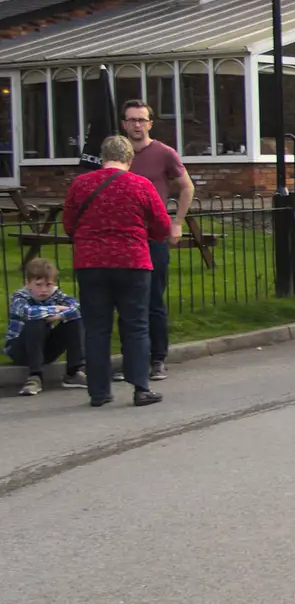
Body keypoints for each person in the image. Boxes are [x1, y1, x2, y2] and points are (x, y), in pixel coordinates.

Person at [62, 135, 171, 407]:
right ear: (130, 160)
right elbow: (161, 226)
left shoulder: (81, 184)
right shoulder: (141, 185)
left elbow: (68, 224)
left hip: (91, 263)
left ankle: (99, 392)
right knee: (136, 325)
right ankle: (140, 388)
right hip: (132, 263)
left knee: (97, 328)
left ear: (102, 158)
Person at [122, 99, 192, 383]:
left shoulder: (163, 153)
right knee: (126, 300)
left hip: (153, 236)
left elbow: (187, 186)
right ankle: (132, 358)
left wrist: (177, 222)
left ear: (150, 123)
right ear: (124, 124)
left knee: (152, 299)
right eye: (131, 120)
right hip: (122, 236)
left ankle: (157, 358)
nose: (137, 125)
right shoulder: (117, 153)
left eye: (142, 120)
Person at [8, 258, 84, 396]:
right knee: (36, 321)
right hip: (21, 349)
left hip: (45, 349)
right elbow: (28, 312)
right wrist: (57, 308)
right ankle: (35, 376)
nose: (43, 290)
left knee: (74, 319)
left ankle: (73, 372)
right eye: (38, 285)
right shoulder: (20, 297)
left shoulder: (55, 294)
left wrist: (60, 316)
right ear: (28, 284)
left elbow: (78, 308)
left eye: (48, 285)